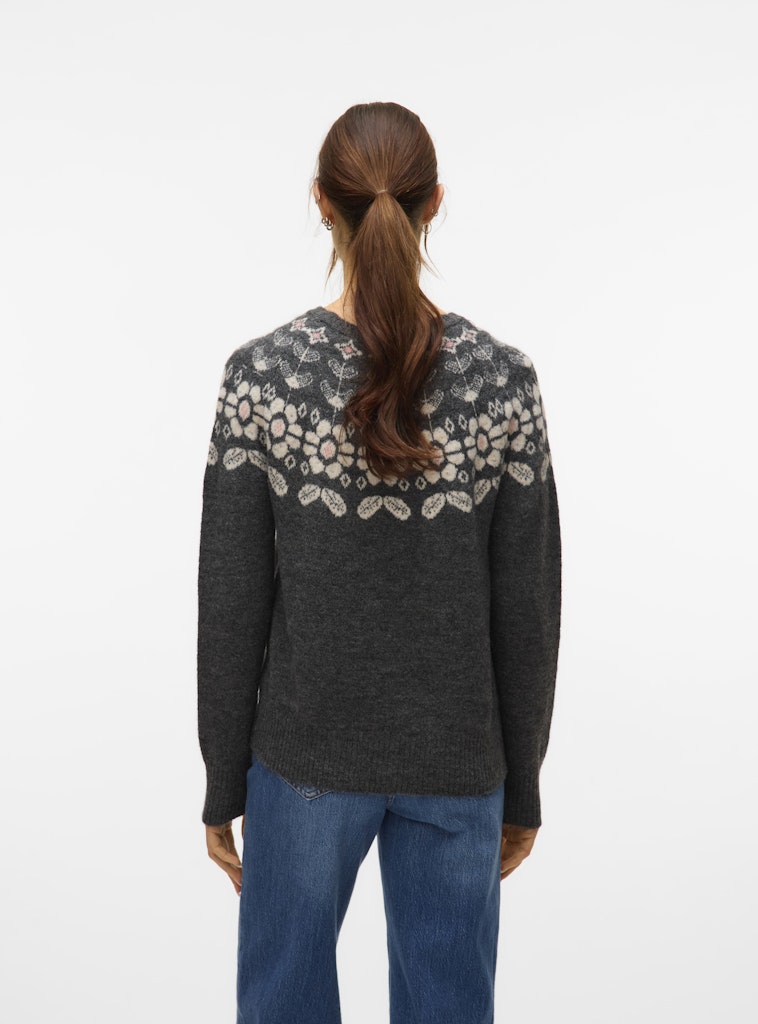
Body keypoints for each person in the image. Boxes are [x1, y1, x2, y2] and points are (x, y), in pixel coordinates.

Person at [197, 101, 562, 1024]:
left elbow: (231, 600)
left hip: (302, 761)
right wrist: (522, 785)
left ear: (321, 202)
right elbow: (528, 608)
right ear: (435, 202)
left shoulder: (263, 378)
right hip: (459, 764)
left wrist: (222, 780)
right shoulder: (503, 382)